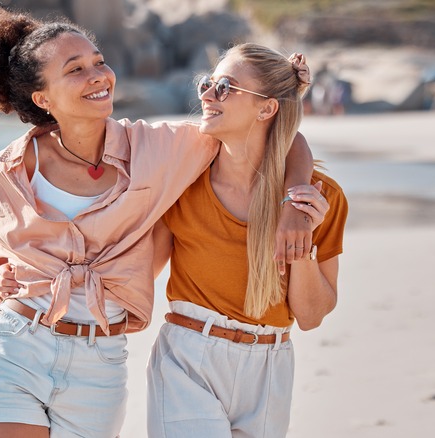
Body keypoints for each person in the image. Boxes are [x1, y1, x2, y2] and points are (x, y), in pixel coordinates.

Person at [0, 8, 314, 438]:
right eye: (75, 70)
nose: (98, 75)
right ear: (43, 98)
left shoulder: (159, 149)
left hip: (99, 363)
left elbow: (279, 129)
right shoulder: (9, 172)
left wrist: (296, 200)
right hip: (17, 347)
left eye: (98, 61)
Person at [147, 44, 349, 438]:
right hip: (189, 358)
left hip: (271, 365)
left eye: (225, 87)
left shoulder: (319, 197)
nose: (206, 95)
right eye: (207, 83)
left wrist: (302, 243)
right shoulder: (182, 182)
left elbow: (310, 316)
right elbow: (139, 269)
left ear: (266, 108)